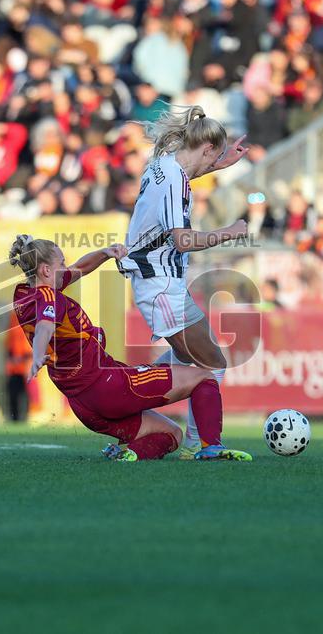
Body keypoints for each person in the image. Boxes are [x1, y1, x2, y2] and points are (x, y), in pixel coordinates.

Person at [11, 235, 250, 461]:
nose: (66, 266)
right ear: (45, 270)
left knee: (171, 434)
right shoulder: (49, 297)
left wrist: (105, 253)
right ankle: (212, 447)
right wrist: (38, 353)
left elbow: (78, 270)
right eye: (61, 261)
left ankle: (130, 453)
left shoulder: (23, 295)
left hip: (84, 407)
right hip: (107, 387)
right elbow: (45, 324)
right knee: (204, 377)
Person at [119, 104, 250, 459]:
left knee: (184, 360)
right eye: (214, 157)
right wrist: (229, 233)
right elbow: (182, 240)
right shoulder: (175, 181)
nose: (213, 164)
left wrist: (218, 166)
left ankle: (125, 402)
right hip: (160, 285)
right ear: (206, 148)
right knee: (212, 363)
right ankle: (199, 443)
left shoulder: (162, 164)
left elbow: (182, 179)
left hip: (156, 282)